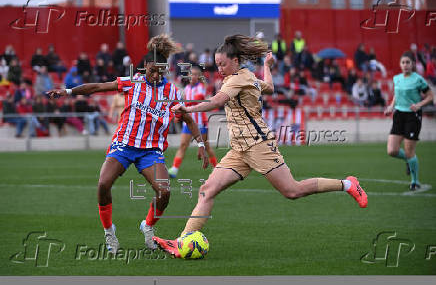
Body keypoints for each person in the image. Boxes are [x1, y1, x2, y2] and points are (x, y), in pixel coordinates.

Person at [153, 34, 368, 257]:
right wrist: (267, 65)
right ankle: (183, 241)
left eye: (223, 64)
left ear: (235, 61)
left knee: (292, 190)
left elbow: (216, 101)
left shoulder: (238, 79)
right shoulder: (247, 77)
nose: (220, 69)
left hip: (259, 145)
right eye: (217, 65)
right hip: (240, 149)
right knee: (207, 190)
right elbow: (269, 88)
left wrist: (188, 108)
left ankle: (348, 184)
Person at [47, 34, 209, 254]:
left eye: (159, 71)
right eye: (152, 70)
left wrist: (200, 145)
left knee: (165, 192)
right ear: (144, 67)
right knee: (103, 184)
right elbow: (96, 87)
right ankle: (109, 232)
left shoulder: (172, 92)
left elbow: (188, 119)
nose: (155, 75)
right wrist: (67, 91)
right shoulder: (131, 82)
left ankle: (148, 227)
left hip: (150, 150)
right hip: (124, 145)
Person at [384, 51, 434, 191]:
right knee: (392, 150)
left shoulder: (418, 79)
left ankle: (415, 181)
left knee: (409, 150)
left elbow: (430, 96)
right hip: (399, 115)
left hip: (413, 116)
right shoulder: (397, 79)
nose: (405, 65)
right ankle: (408, 160)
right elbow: (397, 94)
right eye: (403, 62)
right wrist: (391, 106)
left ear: (412, 64)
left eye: (408, 62)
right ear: (400, 64)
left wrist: (419, 105)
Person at [168, 65, 218, 178]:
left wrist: (184, 105)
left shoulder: (200, 87)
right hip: (188, 122)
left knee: (206, 147)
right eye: (192, 74)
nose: (194, 76)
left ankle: (217, 168)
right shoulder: (186, 88)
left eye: (196, 74)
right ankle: (174, 169)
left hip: (200, 123)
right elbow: (185, 104)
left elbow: (199, 98)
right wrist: (179, 115)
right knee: (183, 145)